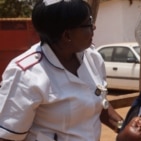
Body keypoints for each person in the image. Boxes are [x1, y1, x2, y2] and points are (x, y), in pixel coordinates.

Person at [0, 0, 125, 140]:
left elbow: (97, 105)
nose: (94, 27)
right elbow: (7, 136)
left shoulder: (93, 58)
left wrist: (122, 126)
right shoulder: (25, 74)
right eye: (88, 23)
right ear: (67, 36)